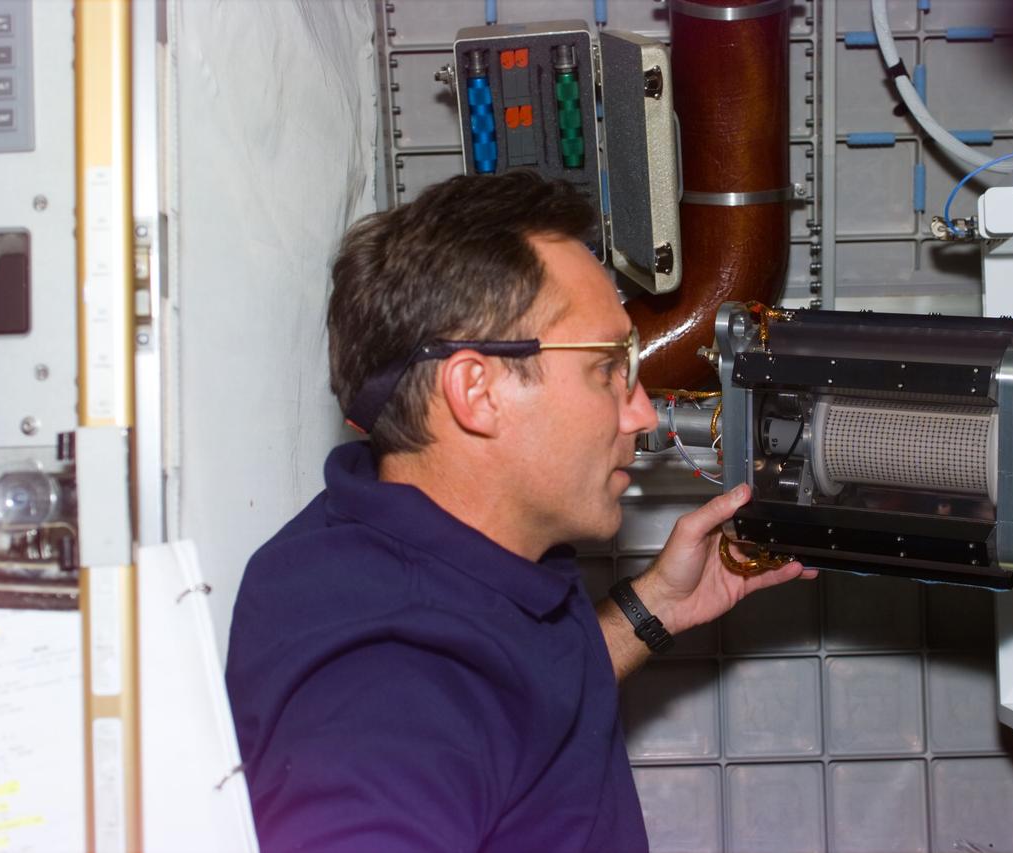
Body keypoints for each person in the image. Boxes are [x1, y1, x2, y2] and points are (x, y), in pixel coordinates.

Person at [225, 170, 812, 851]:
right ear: (478, 391)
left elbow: (511, 699)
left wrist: (654, 608)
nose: (643, 412)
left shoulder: (403, 553)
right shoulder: (384, 682)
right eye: (605, 368)